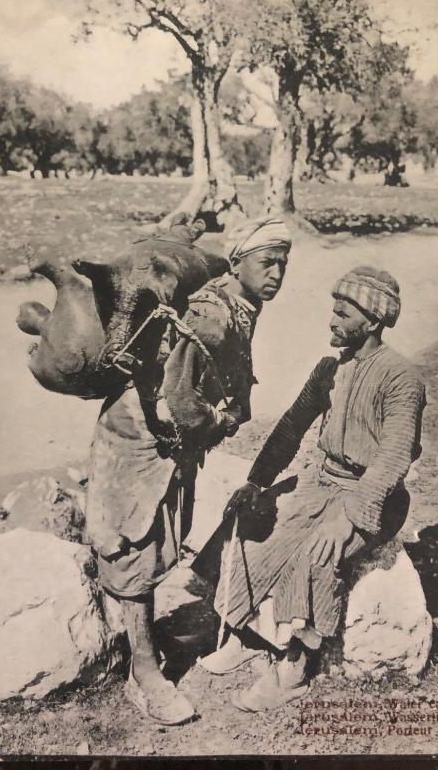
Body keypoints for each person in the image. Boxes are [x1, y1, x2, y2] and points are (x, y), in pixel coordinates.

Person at [84, 218, 292, 725]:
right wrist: (219, 420)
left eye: (284, 263)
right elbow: (179, 397)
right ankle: (144, 673)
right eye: (268, 262)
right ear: (238, 261)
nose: (277, 273)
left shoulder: (241, 305)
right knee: (136, 546)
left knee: (161, 545)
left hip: (166, 443)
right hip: (137, 439)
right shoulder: (211, 315)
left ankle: (145, 643)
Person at [199, 266, 426, 713]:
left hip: (372, 497)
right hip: (319, 480)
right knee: (255, 526)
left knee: (315, 555)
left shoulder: (402, 379)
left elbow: (394, 456)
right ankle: (246, 634)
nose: (332, 320)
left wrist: (348, 518)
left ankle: (292, 668)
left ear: (373, 322)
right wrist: (256, 481)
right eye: (333, 310)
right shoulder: (329, 369)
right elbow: (290, 428)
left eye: (343, 313)